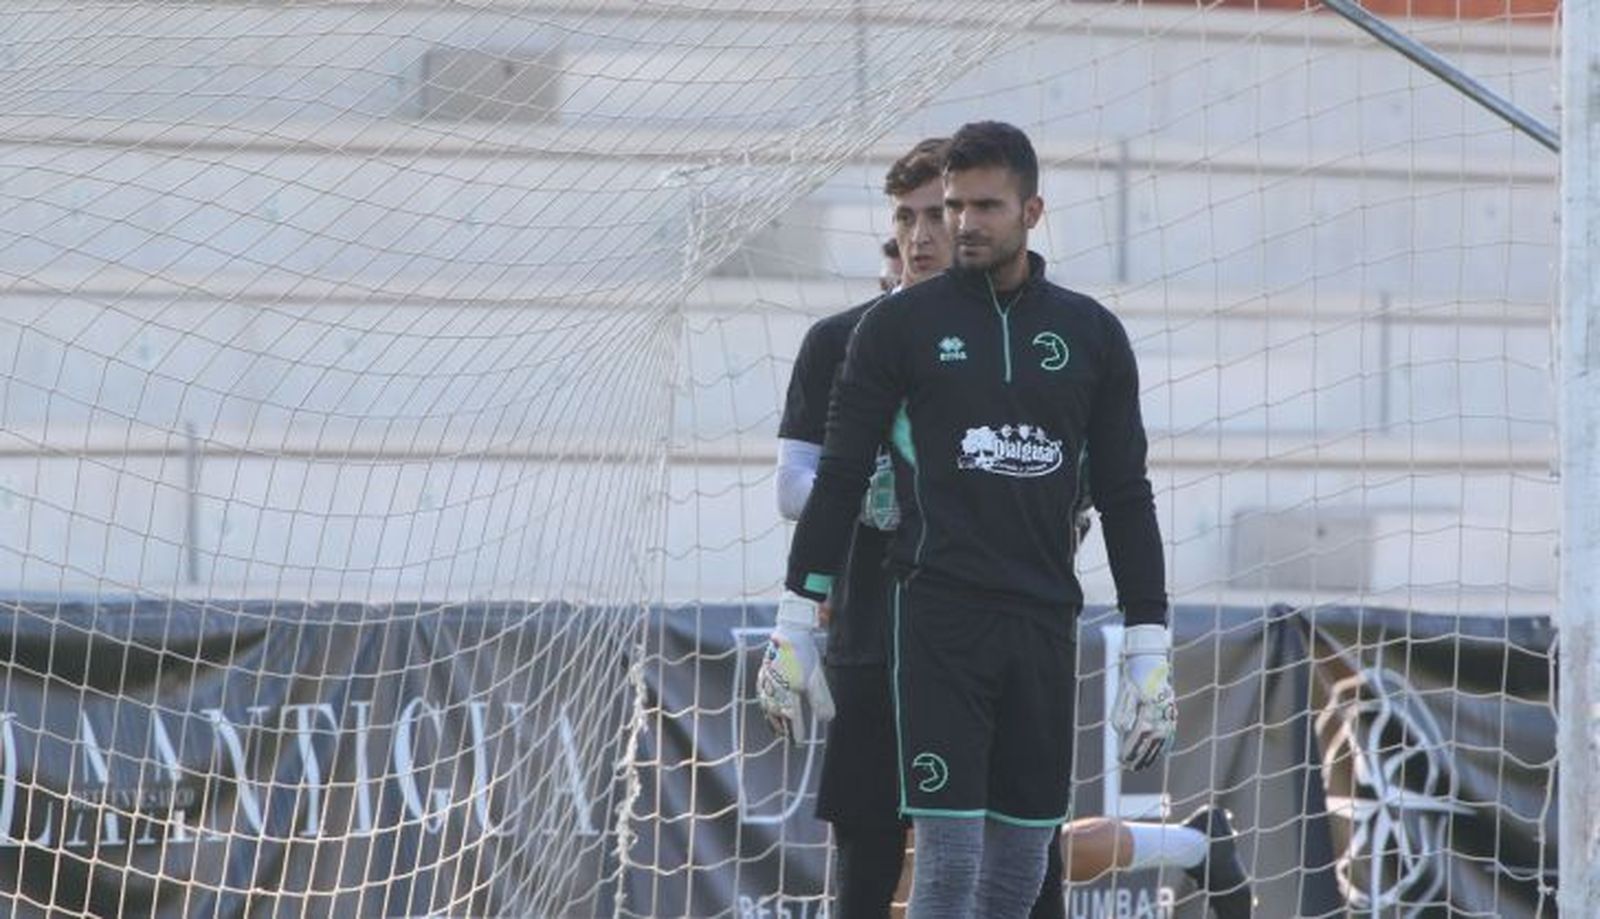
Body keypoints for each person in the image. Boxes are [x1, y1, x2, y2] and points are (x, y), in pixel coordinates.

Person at [763, 130, 1253, 918]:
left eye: (981, 206)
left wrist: (1149, 644)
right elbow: (834, 476)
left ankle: (1188, 845)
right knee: (942, 860)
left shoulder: (1092, 334)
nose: (959, 224)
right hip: (932, 625)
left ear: (1032, 210)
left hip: (1043, 623)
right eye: (949, 207)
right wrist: (794, 617)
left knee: (1025, 867)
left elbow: (1126, 495)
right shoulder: (889, 329)